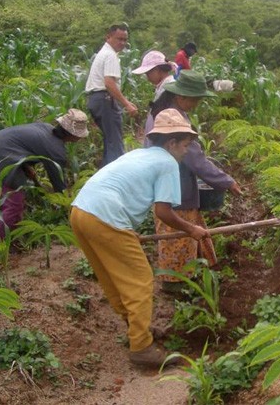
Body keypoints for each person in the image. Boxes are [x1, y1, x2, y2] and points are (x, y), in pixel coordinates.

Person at [70, 109, 209, 368]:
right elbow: (163, 211)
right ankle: (142, 348)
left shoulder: (139, 154)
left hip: (81, 211)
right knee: (141, 280)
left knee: (112, 278)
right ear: (171, 143)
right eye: (185, 145)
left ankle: (138, 329)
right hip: (105, 216)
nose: (186, 151)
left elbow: (125, 189)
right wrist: (192, 230)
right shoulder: (168, 163)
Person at [150, 70, 242, 291]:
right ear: (182, 97)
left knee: (182, 235)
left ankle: (186, 278)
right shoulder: (172, 119)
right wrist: (227, 181)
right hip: (175, 188)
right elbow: (196, 160)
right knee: (177, 237)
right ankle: (175, 285)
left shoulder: (169, 110)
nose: (198, 104)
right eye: (197, 99)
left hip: (177, 184)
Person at [0, 109, 89, 243]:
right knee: (14, 205)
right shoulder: (56, 150)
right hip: (1, 158)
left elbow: (22, 145)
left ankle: (5, 240)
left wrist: (26, 166)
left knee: (10, 202)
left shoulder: (46, 128)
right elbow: (59, 185)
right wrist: (70, 207)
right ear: (73, 135)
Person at [85, 24, 139, 167]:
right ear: (108, 37)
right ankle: (117, 179)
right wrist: (126, 104)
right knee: (115, 144)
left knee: (110, 142)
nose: (122, 43)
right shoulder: (110, 56)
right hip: (105, 100)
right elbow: (109, 83)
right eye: (119, 39)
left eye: (125, 39)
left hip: (97, 100)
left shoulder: (103, 53)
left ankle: (106, 175)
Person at [131, 50, 177, 135]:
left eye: (148, 73)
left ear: (157, 70)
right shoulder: (163, 87)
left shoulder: (169, 89)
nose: (147, 77)